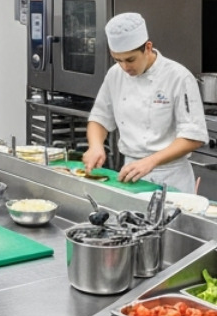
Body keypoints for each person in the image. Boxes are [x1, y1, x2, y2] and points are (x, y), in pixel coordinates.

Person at [83, 12, 208, 194]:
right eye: (118, 60)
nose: (125, 67)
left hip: (170, 177)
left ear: (148, 47)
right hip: (130, 173)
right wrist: (95, 146)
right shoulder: (115, 74)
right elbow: (100, 118)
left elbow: (193, 137)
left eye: (130, 59)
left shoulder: (178, 77)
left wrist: (151, 161)